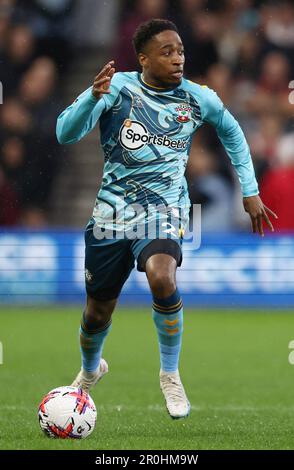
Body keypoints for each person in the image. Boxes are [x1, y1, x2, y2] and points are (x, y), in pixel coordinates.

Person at [56, 19, 277, 419]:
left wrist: (250, 189)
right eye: (167, 52)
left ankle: (170, 373)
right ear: (143, 59)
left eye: (180, 51)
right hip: (111, 215)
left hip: (165, 211)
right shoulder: (117, 88)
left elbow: (233, 132)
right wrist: (91, 98)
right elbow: (64, 134)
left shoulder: (198, 98)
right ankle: (90, 371)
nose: (178, 59)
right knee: (97, 312)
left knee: (162, 276)